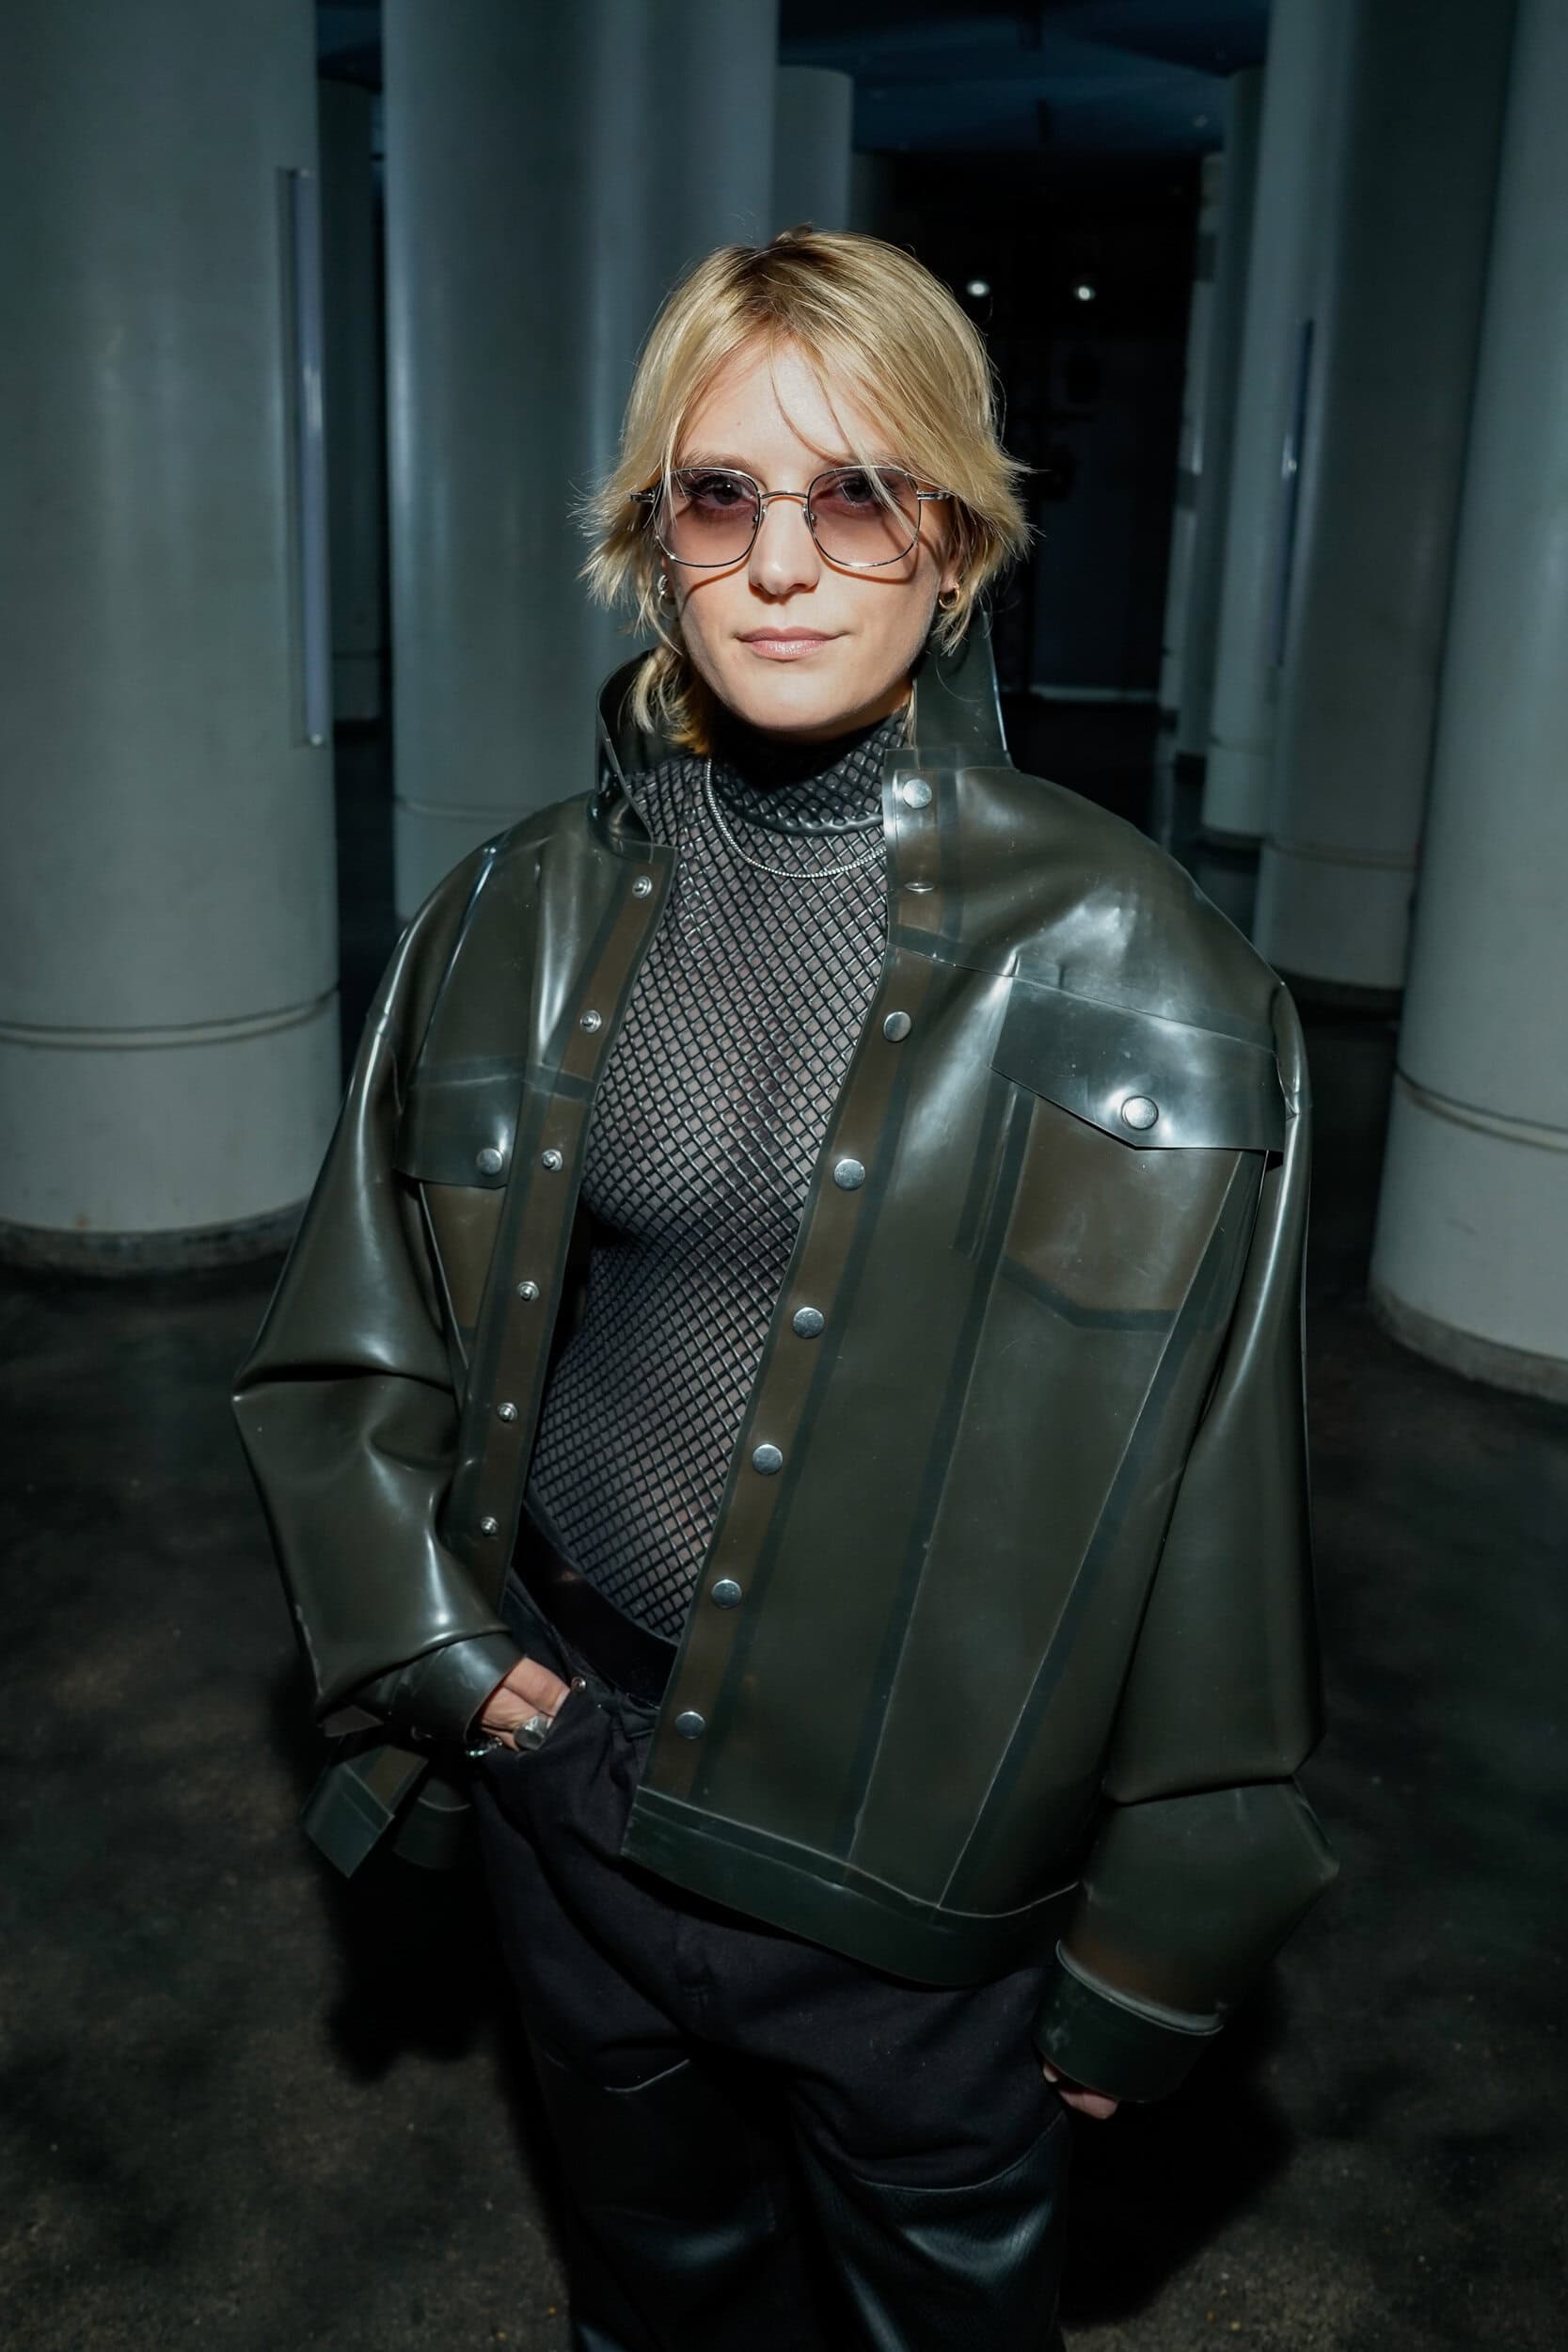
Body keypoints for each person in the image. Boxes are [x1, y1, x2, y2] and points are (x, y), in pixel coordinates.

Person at [233, 227, 1337, 2351]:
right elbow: (352, 1350)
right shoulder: (511, 913)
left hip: (920, 1874)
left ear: (962, 534)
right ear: (654, 537)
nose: (786, 564)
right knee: (653, 2299)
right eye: (721, 494)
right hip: (565, 1769)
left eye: (863, 493)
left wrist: (1160, 1941)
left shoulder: (1145, 968)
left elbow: (1216, 1513)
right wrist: (467, 1669)